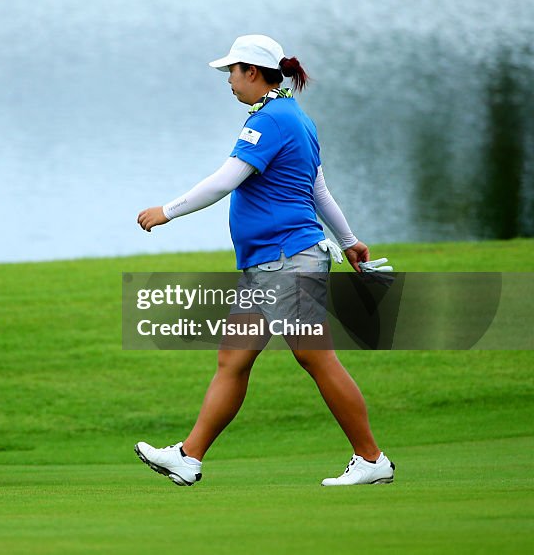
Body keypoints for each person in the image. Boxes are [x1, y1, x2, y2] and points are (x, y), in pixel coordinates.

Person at [133, 35, 395, 487]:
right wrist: (350, 241)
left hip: (287, 260)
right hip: (270, 265)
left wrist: (167, 211)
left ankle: (371, 459)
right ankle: (189, 456)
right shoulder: (296, 118)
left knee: (317, 359)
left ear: (252, 72)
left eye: (232, 73)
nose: (229, 82)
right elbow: (318, 191)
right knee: (233, 361)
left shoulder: (271, 120)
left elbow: (226, 179)